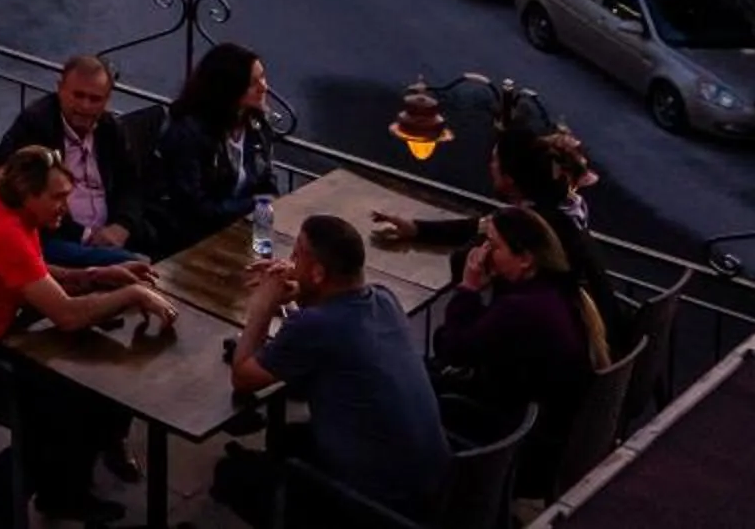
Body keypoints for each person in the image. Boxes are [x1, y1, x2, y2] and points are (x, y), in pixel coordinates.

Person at [0, 147, 174, 527]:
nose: (64, 208)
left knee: (95, 373)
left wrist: (96, 275)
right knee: (82, 388)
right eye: (56, 198)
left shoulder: (4, 206)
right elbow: (68, 315)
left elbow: (31, 271)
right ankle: (1, 480)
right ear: (27, 193)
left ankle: (62, 493)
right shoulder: (5, 230)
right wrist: (134, 294)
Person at [217, 213, 451, 527]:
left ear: (318, 272)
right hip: (433, 489)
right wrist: (301, 290)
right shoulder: (384, 299)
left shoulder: (316, 326)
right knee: (286, 439)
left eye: (297, 253)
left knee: (229, 475)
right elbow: (326, 333)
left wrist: (263, 304)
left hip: (377, 507)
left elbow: (243, 377)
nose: (289, 261)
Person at [429, 205, 610, 476]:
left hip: (523, 450)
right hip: (547, 433)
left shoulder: (521, 309)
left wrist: (468, 287)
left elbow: (452, 350)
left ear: (525, 258)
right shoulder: (556, 293)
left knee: (418, 383)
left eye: (493, 245)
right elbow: (478, 339)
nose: (484, 253)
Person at [376, 124, 611, 316]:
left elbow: (462, 261)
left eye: (495, 161)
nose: (490, 166)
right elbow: (483, 225)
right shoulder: (558, 206)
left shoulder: (530, 223)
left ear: (509, 179)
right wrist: (417, 229)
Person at [0, 55, 151, 275]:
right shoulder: (35, 126)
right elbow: (25, 196)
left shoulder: (111, 129)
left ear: (107, 100)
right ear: (60, 90)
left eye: (95, 99)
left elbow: (131, 183)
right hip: (54, 236)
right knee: (133, 267)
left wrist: (122, 226)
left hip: (110, 235)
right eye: (78, 95)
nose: (85, 106)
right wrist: (86, 235)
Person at [142, 42, 280, 256]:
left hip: (240, 232)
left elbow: (267, 182)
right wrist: (252, 205)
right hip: (191, 241)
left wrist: (262, 245)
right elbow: (194, 208)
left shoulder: (258, 124)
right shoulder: (189, 133)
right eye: (253, 83)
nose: (264, 87)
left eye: (262, 77)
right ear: (229, 89)